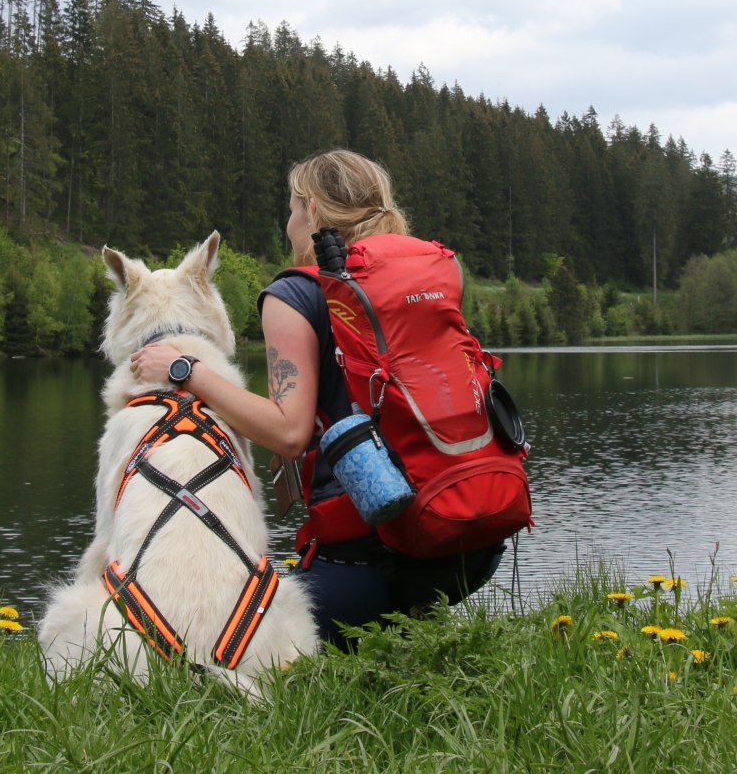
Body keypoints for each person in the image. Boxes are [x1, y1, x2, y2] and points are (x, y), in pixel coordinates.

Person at [130, 149, 504, 648]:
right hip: (467, 542)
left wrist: (184, 369)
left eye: (291, 208)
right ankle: (409, 625)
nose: (287, 223)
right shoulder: (427, 277)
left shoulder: (295, 295)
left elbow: (289, 433)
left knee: (241, 633)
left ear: (310, 211)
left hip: (367, 561)